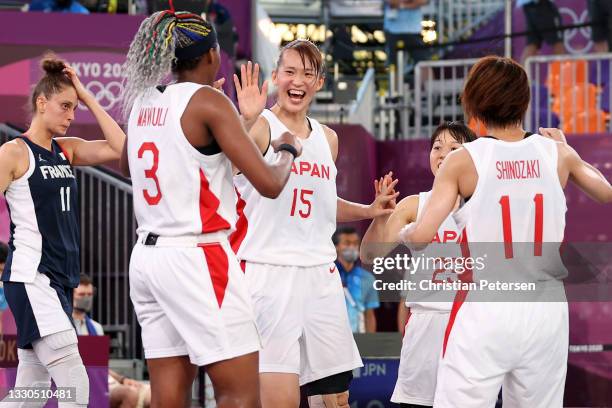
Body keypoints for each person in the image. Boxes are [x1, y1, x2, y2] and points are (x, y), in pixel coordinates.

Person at [401, 56, 612, 407]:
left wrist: (406, 230)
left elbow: (422, 237)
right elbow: (607, 192)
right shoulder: (556, 154)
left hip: (486, 305)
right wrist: (568, 150)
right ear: (524, 101)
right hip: (545, 309)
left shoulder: (463, 159)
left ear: (474, 101)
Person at [120, 10, 301, 408]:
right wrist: (287, 149)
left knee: (169, 396)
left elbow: (126, 164)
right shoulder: (209, 102)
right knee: (239, 396)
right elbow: (270, 183)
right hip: (198, 256)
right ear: (212, 57)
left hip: (148, 259)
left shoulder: (143, 102)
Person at [230, 39, 398, 408]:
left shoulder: (328, 139)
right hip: (270, 272)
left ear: (319, 82)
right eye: (289, 71)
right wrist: (245, 120)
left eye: (308, 74)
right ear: (275, 77)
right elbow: (230, 164)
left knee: (336, 399)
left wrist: (370, 210)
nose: (298, 81)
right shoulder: (260, 128)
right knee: (280, 400)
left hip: (321, 275)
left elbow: (323, 204)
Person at [0, 54, 126, 407]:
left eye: (75, 107)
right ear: (42, 103)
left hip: (59, 281)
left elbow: (121, 148)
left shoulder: (65, 150)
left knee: (32, 391)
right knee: (75, 380)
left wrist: (87, 97)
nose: (72, 115)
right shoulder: (14, 152)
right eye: (65, 106)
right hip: (32, 276)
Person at [361, 122, 476, 408]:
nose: (443, 153)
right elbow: (370, 257)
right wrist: (378, 215)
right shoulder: (415, 204)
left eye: (453, 148)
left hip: (470, 323)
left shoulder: (485, 204)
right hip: (425, 321)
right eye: (437, 147)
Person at [72, 274, 151, 408]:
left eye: (89, 294)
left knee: (151, 392)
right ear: (71, 295)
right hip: (83, 386)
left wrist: (123, 379)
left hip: (102, 381)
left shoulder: (96, 328)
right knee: (129, 394)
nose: (86, 298)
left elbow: (101, 367)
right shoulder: (66, 327)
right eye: (82, 294)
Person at [333, 227, 379, 333]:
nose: (352, 247)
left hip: (358, 338)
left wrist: (369, 342)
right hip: (331, 337)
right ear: (336, 247)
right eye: (347, 243)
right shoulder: (327, 275)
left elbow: (369, 315)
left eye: (355, 243)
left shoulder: (368, 278)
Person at [383, 0, 430, 72]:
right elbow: (391, 2)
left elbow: (422, 1)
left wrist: (401, 5)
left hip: (414, 30)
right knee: (394, 65)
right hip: (393, 30)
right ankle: (395, 83)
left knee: (423, 63)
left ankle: (427, 83)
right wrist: (410, 4)